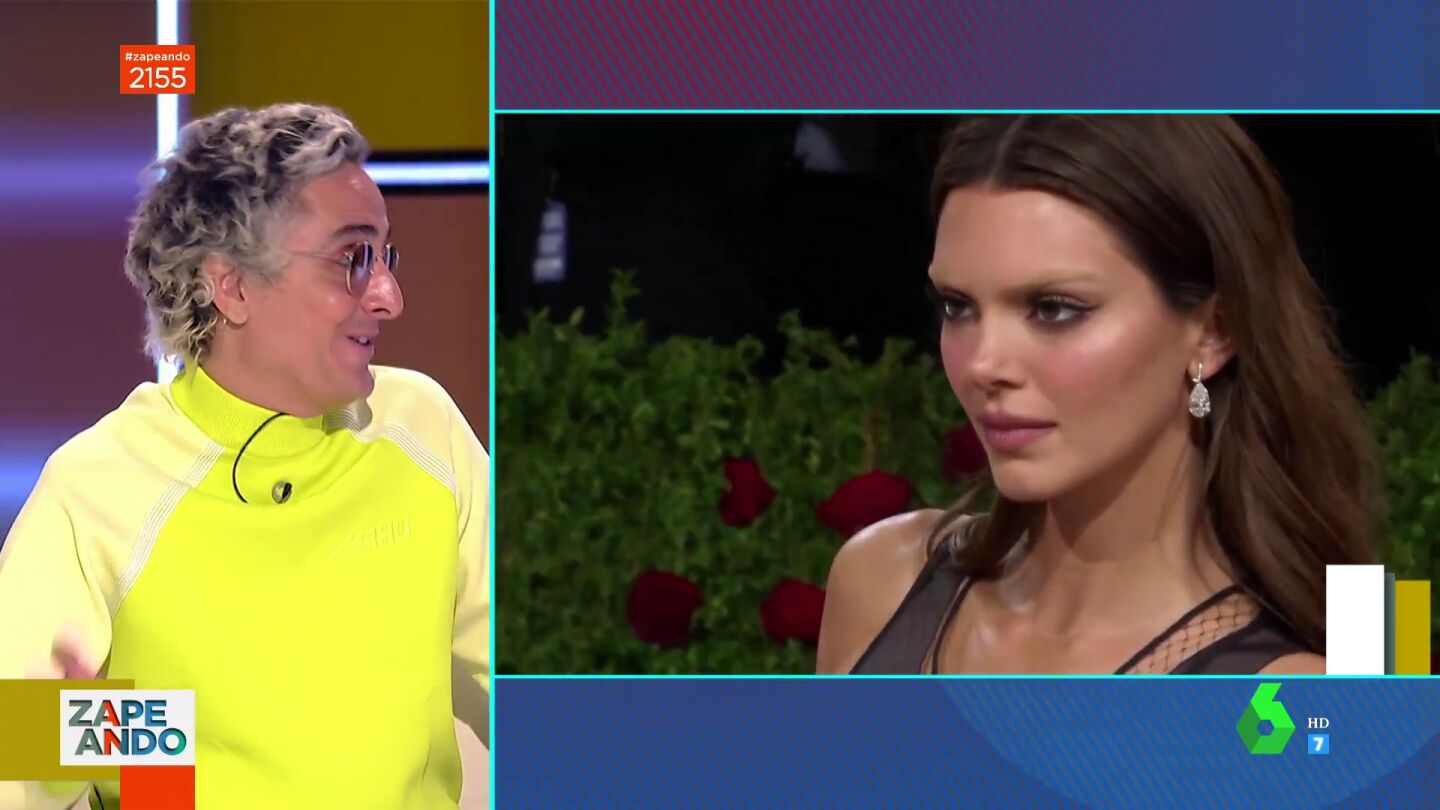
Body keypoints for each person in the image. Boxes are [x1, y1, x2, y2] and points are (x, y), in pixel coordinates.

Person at [0, 103, 489, 808]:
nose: (389, 296)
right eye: (353, 259)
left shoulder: (422, 427)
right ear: (232, 285)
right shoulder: (99, 488)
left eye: (387, 257)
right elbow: (19, 748)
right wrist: (112, 730)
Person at [817, 115, 1380, 676]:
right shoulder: (881, 582)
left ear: (1214, 332)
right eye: (957, 306)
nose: (984, 364)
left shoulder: (1304, 685)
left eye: (1054, 309)